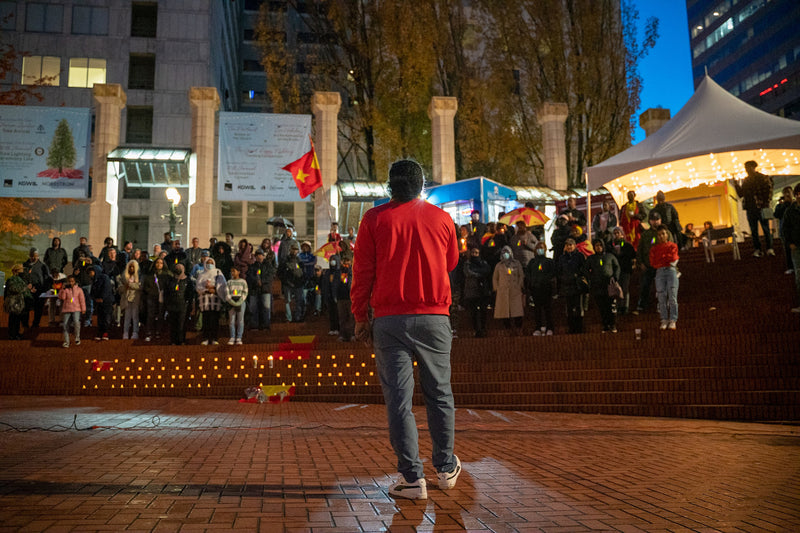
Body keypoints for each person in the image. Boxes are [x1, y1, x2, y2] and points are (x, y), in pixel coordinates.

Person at [351, 159, 461, 500]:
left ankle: (412, 478)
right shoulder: (442, 218)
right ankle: (445, 467)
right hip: (434, 317)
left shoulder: (374, 219)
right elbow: (451, 261)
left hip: (388, 319)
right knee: (439, 393)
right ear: (421, 184)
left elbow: (362, 271)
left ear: (390, 185)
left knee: (398, 401)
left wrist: (359, 315)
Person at [733, 160, 775, 257]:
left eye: (748, 167)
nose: (746, 170)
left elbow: (768, 191)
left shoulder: (759, 178)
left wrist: (764, 202)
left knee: (762, 229)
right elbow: (741, 194)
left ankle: (765, 248)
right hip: (753, 207)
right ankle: (764, 248)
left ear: (753, 167)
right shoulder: (752, 179)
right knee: (758, 229)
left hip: (757, 207)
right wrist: (736, 184)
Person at [633, 212, 670, 315]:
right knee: (645, 285)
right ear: (649, 221)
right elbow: (640, 250)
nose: (655, 222)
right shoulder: (645, 235)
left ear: (661, 220)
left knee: (663, 286)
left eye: (657, 219)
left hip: (662, 265)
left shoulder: (667, 233)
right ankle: (642, 305)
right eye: (653, 220)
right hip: (649, 265)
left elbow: (671, 247)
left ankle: (663, 304)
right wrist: (640, 263)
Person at [582, 238, 621, 333]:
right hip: (597, 286)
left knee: (611, 306)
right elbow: (585, 269)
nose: (598, 247)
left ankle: (612, 324)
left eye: (600, 245)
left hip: (609, 285)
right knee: (602, 307)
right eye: (596, 245)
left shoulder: (610, 256)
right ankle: (605, 325)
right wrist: (591, 277)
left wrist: (615, 277)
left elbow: (617, 267)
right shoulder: (591, 258)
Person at [650, 225, 680, 330]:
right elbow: (653, 262)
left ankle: (673, 319)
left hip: (670, 270)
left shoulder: (673, 246)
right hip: (660, 271)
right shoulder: (654, 248)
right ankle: (664, 319)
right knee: (661, 296)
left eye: (663, 234)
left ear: (667, 234)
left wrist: (662, 258)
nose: (661, 236)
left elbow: (673, 257)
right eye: (659, 235)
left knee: (672, 296)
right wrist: (664, 258)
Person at [524, 241, 556, 336]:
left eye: (542, 248)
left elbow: (553, 273)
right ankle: (538, 327)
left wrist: (546, 280)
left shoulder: (549, 261)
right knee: (537, 309)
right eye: (538, 248)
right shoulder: (532, 262)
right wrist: (532, 282)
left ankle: (550, 327)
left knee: (548, 309)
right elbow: (528, 274)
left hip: (546, 288)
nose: (540, 250)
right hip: (535, 289)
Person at [556, 238, 586, 334]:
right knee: (569, 308)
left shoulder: (579, 256)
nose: (569, 247)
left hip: (577, 285)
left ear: (574, 246)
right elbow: (559, 270)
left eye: (571, 245)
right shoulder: (562, 258)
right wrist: (563, 278)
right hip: (566, 285)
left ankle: (579, 327)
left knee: (578, 307)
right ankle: (571, 328)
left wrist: (578, 276)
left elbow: (584, 268)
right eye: (567, 245)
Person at [493, 245, 525, 334]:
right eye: (503, 252)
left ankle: (518, 329)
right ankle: (507, 329)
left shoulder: (517, 263)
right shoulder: (499, 265)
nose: (505, 254)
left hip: (515, 290)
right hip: (503, 291)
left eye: (507, 252)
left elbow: (521, 275)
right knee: (504, 311)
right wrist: (497, 288)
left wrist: (519, 285)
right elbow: (495, 278)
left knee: (517, 311)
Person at [462, 245, 492, 338]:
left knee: (483, 311)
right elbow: (468, 273)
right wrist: (479, 274)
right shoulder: (467, 263)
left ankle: (483, 328)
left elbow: (487, 270)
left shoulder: (483, 263)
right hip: (472, 291)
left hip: (482, 291)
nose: (474, 254)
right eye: (473, 252)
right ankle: (476, 329)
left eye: (476, 253)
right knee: (473, 312)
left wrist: (477, 272)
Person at [197, 257, 225, 345]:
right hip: (204, 301)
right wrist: (206, 289)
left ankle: (214, 338)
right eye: (208, 262)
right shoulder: (201, 274)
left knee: (214, 320)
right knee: (206, 320)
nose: (209, 264)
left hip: (215, 300)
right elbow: (198, 287)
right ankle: (205, 338)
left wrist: (215, 289)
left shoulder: (218, 272)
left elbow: (223, 285)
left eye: (211, 262)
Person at [782, 183, 800, 312]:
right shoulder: (790, 210)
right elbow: (785, 229)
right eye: (797, 194)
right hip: (797, 246)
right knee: (799, 276)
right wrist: (790, 243)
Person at [247, 248, 276, 330]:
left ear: (263, 256)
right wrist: (256, 281)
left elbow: (270, 276)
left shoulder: (268, 265)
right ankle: (254, 325)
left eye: (261, 255)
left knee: (266, 308)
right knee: (253, 308)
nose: (259, 257)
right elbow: (249, 276)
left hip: (265, 289)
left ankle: (266, 325)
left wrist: (262, 281)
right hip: (254, 290)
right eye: (257, 255)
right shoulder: (252, 267)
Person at [610, 226, 636, 315]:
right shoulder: (610, 246)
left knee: (625, 288)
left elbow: (633, 256)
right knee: (617, 289)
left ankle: (625, 306)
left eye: (618, 233)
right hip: (615, 271)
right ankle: (618, 306)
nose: (616, 235)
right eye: (615, 233)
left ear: (622, 234)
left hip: (625, 270)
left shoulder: (627, 245)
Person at [22, 248, 50, 329]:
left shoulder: (43, 266)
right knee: (26, 308)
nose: (34, 258)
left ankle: (35, 324)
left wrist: (42, 289)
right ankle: (25, 324)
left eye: (35, 256)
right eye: (32, 256)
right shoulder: (25, 265)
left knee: (38, 308)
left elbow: (46, 279)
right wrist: (27, 286)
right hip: (27, 290)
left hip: (38, 290)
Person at [142, 257, 168, 342]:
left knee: (161, 315)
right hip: (151, 297)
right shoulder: (150, 274)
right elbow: (145, 286)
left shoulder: (167, 275)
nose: (159, 264)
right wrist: (151, 291)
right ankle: (149, 333)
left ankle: (158, 332)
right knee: (150, 315)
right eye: (157, 263)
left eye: (161, 263)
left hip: (162, 297)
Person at [277, 242, 305, 322]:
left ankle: (297, 316)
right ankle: (288, 317)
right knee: (287, 301)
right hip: (288, 284)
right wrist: (285, 281)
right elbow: (280, 272)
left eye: (296, 249)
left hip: (298, 284)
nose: (294, 251)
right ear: (290, 250)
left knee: (298, 301)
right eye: (293, 249)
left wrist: (302, 281)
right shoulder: (285, 261)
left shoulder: (300, 261)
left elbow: (303, 272)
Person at [165, 263, 191, 345]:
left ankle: (181, 340)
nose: (178, 268)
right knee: (173, 324)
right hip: (172, 305)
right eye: (177, 267)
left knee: (182, 324)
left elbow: (190, 294)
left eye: (180, 267)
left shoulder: (188, 280)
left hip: (183, 305)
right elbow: (166, 293)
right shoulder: (170, 280)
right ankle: (173, 341)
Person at [4, 264, 32, 340]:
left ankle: (16, 333)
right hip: (14, 302)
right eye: (21, 269)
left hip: (18, 302)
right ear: (17, 271)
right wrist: (26, 288)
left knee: (16, 319)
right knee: (14, 319)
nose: (22, 271)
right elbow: (15, 289)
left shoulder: (18, 279)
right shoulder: (12, 279)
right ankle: (12, 335)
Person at [59, 275, 85, 348]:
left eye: (72, 281)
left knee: (76, 322)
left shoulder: (79, 290)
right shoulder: (66, 290)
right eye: (69, 281)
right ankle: (66, 341)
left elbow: (82, 300)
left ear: (75, 281)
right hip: (67, 309)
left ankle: (77, 337)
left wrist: (83, 309)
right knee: (65, 325)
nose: (71, 283)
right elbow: (62, 298)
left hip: (76, 309)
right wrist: (62, 290)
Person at [332, 255, 354, 341]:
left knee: (352, 318)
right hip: (341, 297)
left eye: (348, 261)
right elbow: (334, 284)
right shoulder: (338, 272)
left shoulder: (352, 271)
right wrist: (334, 295)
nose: (346, 263)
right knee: (342, 317)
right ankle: (343, 335)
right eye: (344, 261)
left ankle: (352, 334)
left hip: (350, 297)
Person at [89, 265, 114, 341]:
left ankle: (106, 332)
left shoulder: (104, 278)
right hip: (99, 303)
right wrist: (94, 298)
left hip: (107, 302)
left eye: (91, 272)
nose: (90, 274)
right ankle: (100, 331)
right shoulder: (94, 280)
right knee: (100, 318)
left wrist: (102, 298)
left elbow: (107, 289)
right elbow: (92, 292)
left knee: (106, 318)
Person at [119, 260, 142, 340]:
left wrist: (130, 285)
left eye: (133, 267)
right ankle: (125, 332)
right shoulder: (124, 276)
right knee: (127, 316)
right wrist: (125, 287)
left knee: (135, 316)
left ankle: (135, 332)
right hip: (126, 298)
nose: (131, 268)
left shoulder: (139, 275)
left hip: (135, 298)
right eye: (130, 267)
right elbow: (120, 287)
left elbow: (140, 286)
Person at [774, 186, 795, 274]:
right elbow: (776, 215)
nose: (787, 195)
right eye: (785, 193)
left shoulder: (795, 204)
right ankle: (790, 266)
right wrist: (783, 204)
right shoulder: (780, 206)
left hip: (795, 231)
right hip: (785, 232)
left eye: (788, 193)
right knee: (787, 249)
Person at [226, 265, 248, 345]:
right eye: (231, 271)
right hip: (231, 302)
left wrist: (239, 301)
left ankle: (239, 337)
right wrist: (232, 301)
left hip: (240, 302)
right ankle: (232, 337)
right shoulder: (229, 282)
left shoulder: (243, 282)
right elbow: (227, 293)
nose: (232, 273)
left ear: (238, 272)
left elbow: (245, 292)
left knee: (240, 320)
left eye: (234, 271)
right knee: (231, 321)